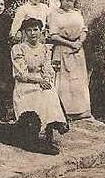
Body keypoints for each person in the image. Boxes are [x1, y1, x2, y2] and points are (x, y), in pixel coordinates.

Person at [11, 17, 69, 154]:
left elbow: (48, 68)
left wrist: (47, 79)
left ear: (40, 31)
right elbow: (20, 74)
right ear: (24, 32)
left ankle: (53, 125)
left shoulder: (44, 48)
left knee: (49, 93)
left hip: (41, 81)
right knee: (38, 96)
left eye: (35, 30)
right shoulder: (18, 49)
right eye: (29, 30)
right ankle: (37, 135)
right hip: (25, 85)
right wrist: (38, 81)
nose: (32, 33)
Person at [46, 0, 92, 120]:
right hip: (62, 49)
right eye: (67, 0)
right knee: (64, 81)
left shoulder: (77, 13)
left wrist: (79, 42)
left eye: (72, 1)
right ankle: (65, 111)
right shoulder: (54, 14)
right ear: (61, 0)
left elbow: (84, 30)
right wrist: (70, 44)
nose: (70, 4)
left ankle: (80, 110)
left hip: (77, 50)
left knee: (78, 80)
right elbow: (53, 35)